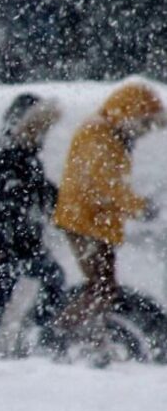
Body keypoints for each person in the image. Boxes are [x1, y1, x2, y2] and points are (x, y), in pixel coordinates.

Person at [52, 82, 165, 366]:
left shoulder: (110, 133)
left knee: (102, 288)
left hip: (95, 222)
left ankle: (91, 340)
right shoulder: (98, 134)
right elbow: (107, 184)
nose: (145, 132)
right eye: (144, 124)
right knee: (102, 288)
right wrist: (139, 208)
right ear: (130, 114)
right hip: (85, 223)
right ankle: (61, 333)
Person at [0, 94, 65, 355]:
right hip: (3, 241)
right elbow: (2, 198)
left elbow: (40, 192)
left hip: (21, 241)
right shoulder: (5, 151)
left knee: (4, 296)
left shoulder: (26, 154)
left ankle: (29, 332)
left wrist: (62, 202)